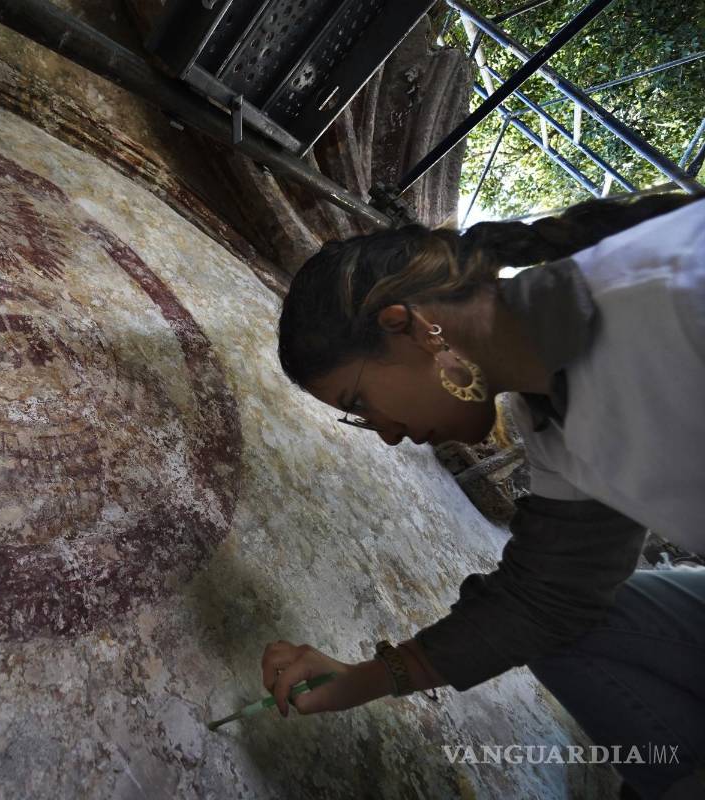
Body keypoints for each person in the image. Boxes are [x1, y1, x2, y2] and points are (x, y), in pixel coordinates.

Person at [265, 193, 705, 799]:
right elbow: (549, 599)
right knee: (583, 632)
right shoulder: (550, 419)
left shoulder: (675, 296)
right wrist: (368, 678)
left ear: (410, 327)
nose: (389, 436)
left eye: (360, 404)